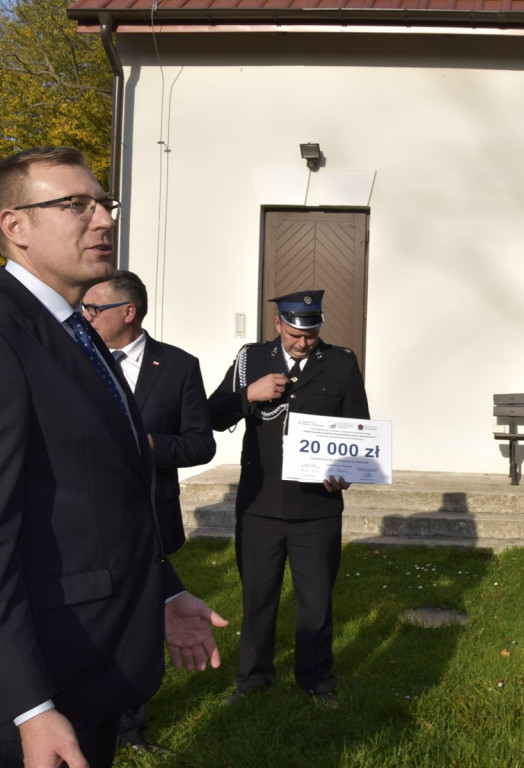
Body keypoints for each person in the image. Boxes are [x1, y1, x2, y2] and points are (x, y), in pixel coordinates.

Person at [0, 146, 225, 768]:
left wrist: (163, 591)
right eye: (75, 205)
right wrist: (28, 706)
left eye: (104, 203)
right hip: (35, 685)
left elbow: (104, 492)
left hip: (93, 663)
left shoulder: (75, 330)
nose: (102, 219)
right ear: (14, 226)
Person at [209, 290, 370, 708]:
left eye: (311, 334)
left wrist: (347, 472)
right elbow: (212, 414)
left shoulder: (341, 362)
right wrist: (249, 394)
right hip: (260, 503)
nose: (303, 342)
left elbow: (358, 429)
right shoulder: (251, 359)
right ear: (278, 324)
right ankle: (252, 681)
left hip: (316, 507)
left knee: (316, 602)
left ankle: (317, 682)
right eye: (296, 333)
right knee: (257, 598)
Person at [82, 269, 217, 754]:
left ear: (128, 312)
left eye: (94, 309)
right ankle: (85, 711)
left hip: (151, 519)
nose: (85, 316)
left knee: (143, 622)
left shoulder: (178, 366)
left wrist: (149, 444)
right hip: (89, 519)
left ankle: (131, 729)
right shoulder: (77, 358)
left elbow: (201, 443)